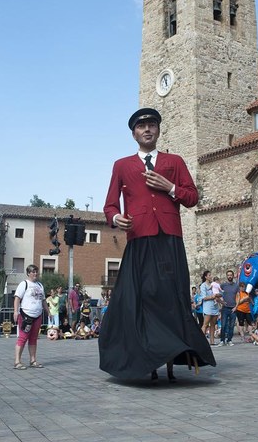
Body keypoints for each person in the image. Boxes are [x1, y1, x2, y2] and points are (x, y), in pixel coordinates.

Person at [99, 108, 215, 382]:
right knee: (142, 297)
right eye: (141, 127)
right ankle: (144, 357)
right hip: (139, 238)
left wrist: (169, 187)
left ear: (159, 130)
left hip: (170, 238)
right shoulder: (122, 165)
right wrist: (116, 218)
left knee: (171, 296)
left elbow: (192, 197)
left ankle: (174, 353)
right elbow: (110, 205)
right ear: (134, 134)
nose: (147, 129)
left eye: (152, 125)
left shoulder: (174, 161)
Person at [13, 264, 48, 369]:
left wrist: (48, 312)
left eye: (36, 272)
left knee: (33, 338)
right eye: (33, 272)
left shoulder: (40, 285)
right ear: (28, 273)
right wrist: (15, 311)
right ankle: (17, 361)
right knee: (23, 337)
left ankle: (33, 360)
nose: (35, 274)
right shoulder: (24, 284)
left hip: (37, 315)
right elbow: (17, 298)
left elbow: (43, 300)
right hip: (26, 315)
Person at [200, 270, 221, 346]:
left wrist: (218, 295)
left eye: (210, 275)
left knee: (213, 324)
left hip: (215, 306)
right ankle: (201, 341)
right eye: (209, 275)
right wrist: (212, 297)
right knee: (205, 324)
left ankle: (212, 341)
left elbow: (219, 293)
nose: (210, 276)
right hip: (208, 306)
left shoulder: (213, 284)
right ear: (205, 277)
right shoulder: (203, 285)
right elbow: (204, 297)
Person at [219, 269, 238, 346]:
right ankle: (222, 340)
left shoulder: (236, 286)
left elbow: (238, 296)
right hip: (225, 308)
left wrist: (236, 307)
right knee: (223, 325)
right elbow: (218, 294)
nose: (229, 276)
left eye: (231, 275)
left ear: (233, 276)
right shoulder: (223, 285)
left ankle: (229, 340)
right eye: (228, 275)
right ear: (226, 276)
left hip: (233, 308)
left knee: (231, 325)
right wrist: (221, 302)